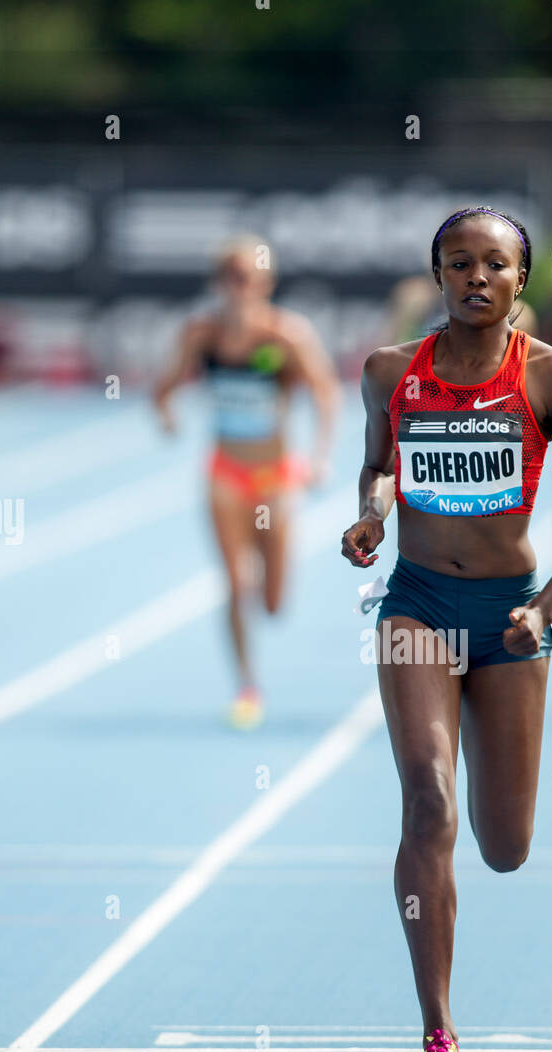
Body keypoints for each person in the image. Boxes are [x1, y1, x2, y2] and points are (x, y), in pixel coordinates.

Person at [341, 206, 552, 1052]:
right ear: (437, 276)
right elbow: (380, 462)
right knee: (427, 801)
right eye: (457, 263)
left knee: (504, 846)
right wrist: (374, 515)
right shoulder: (392, 372)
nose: (475, 278)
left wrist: (546, 609)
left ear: (519, 281)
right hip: (417, 604)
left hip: (510, 617)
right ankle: (439, 1032)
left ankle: (494, 845)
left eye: (492, 265)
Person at [154, 235, 340, 728]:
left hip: (274, 478)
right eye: (234, 278)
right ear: (220, 282)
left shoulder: (286, 337)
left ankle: (264, 588)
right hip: (225, 474)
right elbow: (164, 386)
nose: (243, 288)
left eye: (253, 279)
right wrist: (166, 413)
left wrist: (319, 457)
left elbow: (326, 393)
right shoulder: (202, 335)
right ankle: (246, 685)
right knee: (235, 583)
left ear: (267, 284)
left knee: (273, 603)